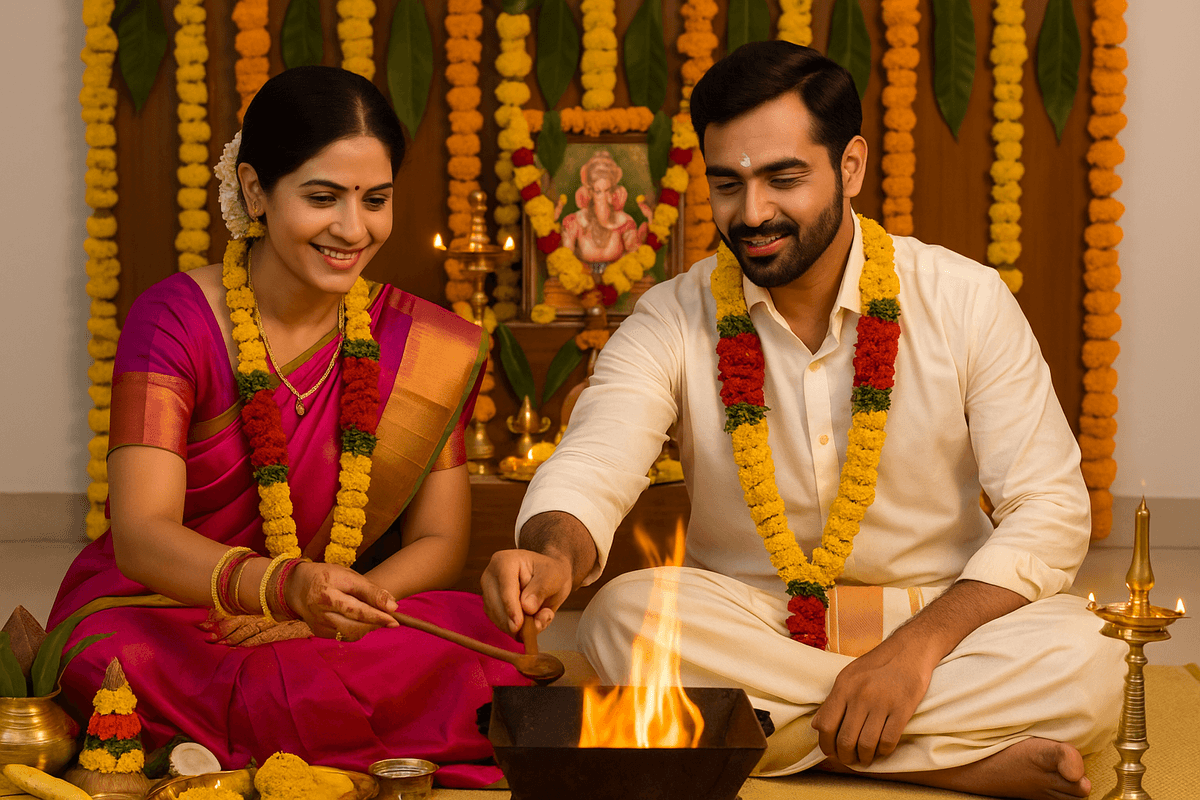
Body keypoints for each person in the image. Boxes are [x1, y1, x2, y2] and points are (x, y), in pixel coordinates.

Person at [481, 42, 1125, 800]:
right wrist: (555, 553)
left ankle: (771, 733)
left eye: (783, 178)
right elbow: (596, 458)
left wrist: (912, 653)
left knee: (1096, 653)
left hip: (944, 618)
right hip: (758, 618)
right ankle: (960, 760)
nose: (752, 214)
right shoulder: (671, 317)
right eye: (729, 184)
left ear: (850, 167)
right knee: (621, 619)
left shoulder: (965, 298)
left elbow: (1048, 508)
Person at [50, 66, 524, 788]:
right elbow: (143, 534)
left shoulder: (422, 344)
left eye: (375, 200)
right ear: (253, 191)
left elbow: (439, 542)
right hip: (182, 613)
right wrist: (280, 587)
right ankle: (333, 736)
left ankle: (220, 747)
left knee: (489, 639)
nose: (352, 229)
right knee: (109, 657)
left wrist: (332, 609)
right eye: (322, 197)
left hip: (332, 622)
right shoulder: (173, 319)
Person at [556, 150, 652, 266]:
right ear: (590, 193)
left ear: (613, 192)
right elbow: (566, 258)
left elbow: (634, 258)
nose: (604, 198)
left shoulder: (625, 222)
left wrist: (650, 218)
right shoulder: (575, 221)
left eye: (607, 191)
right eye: (598, 192)